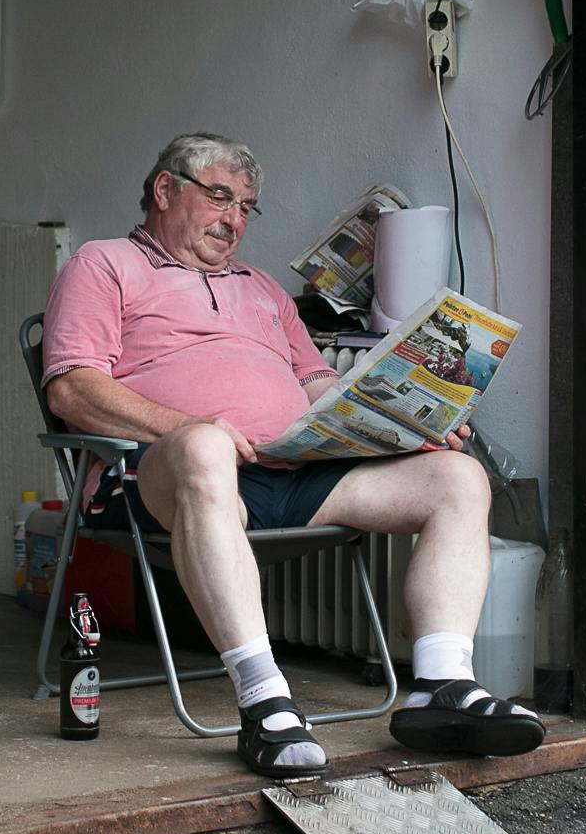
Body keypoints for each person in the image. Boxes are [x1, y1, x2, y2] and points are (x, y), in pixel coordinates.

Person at [39, 132, 542, 778]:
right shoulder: (103, 264)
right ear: (166, 190)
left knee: (457, 478)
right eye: (219, 197)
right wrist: (193, 425)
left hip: (293, 472)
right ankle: (265, 701)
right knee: (202, 447)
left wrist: (405, 418)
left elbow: (317, 384)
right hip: (160, 478)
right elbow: (73, 388)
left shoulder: (262, 289)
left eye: (247, 206)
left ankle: (442, 686)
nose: (234, 219)